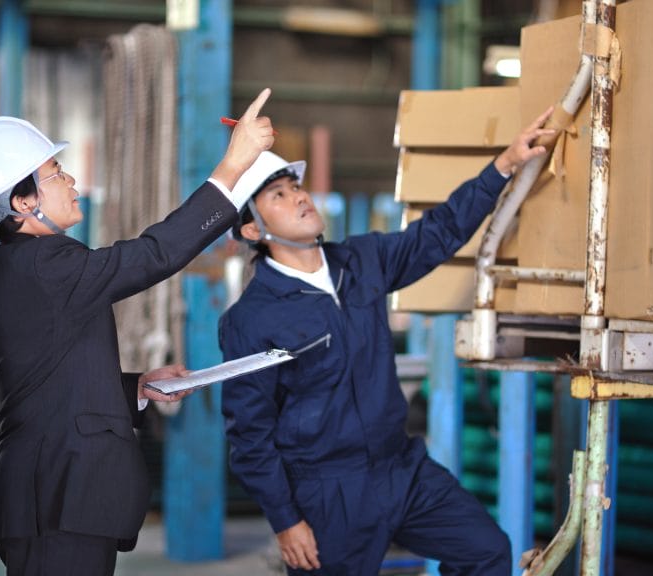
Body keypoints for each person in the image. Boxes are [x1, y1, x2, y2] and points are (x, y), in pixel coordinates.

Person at [0, 89, 275, 576]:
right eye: (55, 174)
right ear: (22, 201)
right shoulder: (47, 263)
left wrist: (133, 388)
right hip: (56, 496)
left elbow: (47, 380)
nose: (71, 180)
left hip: (51, 497)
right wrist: (234, 167)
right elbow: (153, 255)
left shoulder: (18, 266)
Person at [219, 107, 555, 575]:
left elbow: (437, 234)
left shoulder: (362, 260)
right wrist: (285, 520)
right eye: (278, 194)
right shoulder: (251, 319)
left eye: (296, 186)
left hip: (400, 468)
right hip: (326, 492)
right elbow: (250, 433)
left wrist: (503, 166)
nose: (300, 198)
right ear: (254, 230)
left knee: (486, 551)